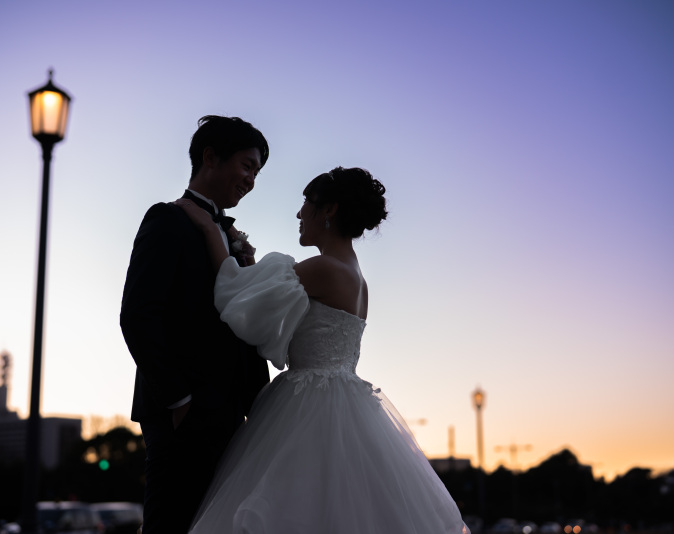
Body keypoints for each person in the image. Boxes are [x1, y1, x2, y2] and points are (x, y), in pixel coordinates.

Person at [176, 167, 470, 533]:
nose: (299, 215)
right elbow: (271, 301)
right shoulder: (354, 275)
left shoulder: (324, 269)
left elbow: (236, 295)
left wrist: (209, 230)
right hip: (342, 398)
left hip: (308, 405)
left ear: (328, 210)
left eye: (305, 205)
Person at [120, 115, 271, 533]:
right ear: (210, 156)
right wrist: (179, 400)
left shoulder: (230, 237)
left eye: (256, 172)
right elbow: (138, 315)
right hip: (183, 415)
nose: (251, 180)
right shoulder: (167, 220)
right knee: (173, 523)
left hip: (229, 414)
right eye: (247, 166)